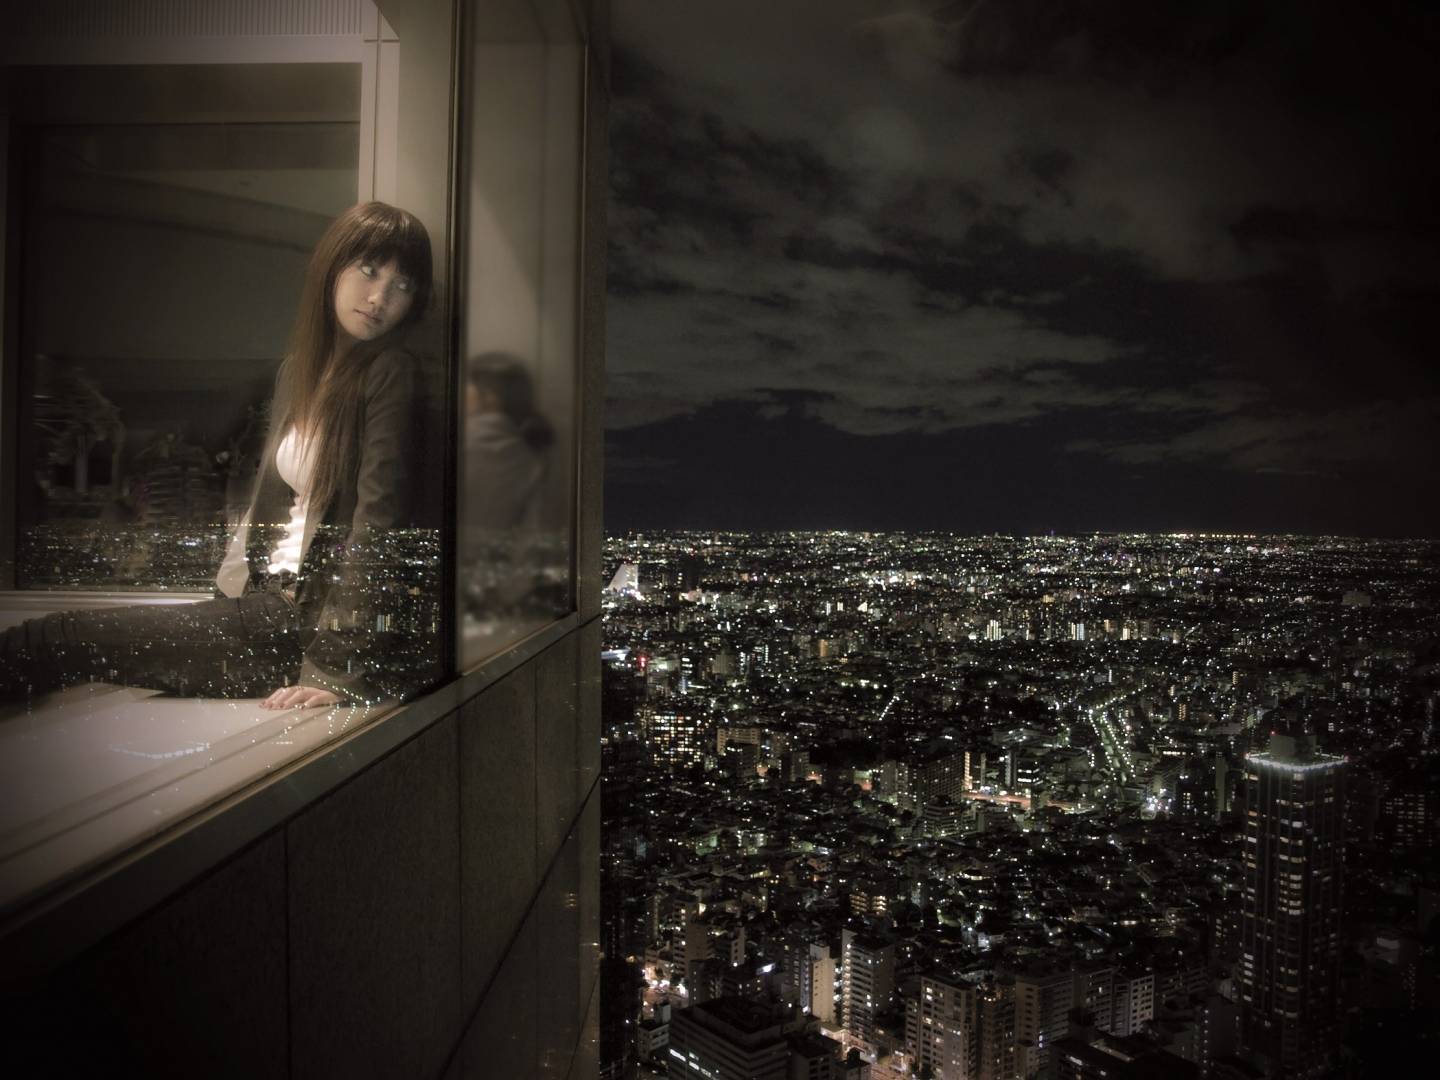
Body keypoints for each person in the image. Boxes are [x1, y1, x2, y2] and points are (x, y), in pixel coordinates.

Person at [0, 201, 435, 709]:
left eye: (402, 285)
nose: (381, 296)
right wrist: (222, 605)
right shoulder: (299, 373)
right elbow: (263, 509)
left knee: (58, 639)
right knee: (61, 649)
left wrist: (336, 667)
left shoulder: (391, 372)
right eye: (369, 270)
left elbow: (378, 526)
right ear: (333, 266)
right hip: (263, 608)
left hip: (301, 626)